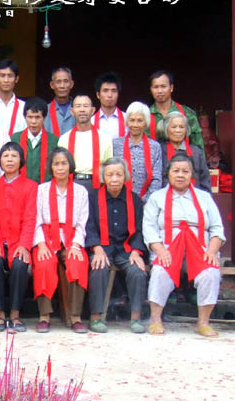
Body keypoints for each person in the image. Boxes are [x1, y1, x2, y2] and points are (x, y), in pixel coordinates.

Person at [144, 154, 224, 337]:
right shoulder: (157, 197)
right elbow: (149, 228)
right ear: (168, 174)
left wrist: (212, 251)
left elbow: (217, 228)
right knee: (160, 271)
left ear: (191, 175)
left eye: (185, 171)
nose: (180, 175)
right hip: (167, 248)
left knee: (210, 273)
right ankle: (155, 320)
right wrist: (160, 250)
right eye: (176, 171)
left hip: (200, 249)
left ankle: (203, 323)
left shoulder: (204, 197)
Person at [86, 157, 147, 334]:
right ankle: (95, 317)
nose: (114, 179)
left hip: (126, 249)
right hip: (102, 247)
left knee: (138, 270)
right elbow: (89, 225)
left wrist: (136, 251)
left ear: (125, 176)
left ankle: (135, 318)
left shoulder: (134, 200)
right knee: (98, 268)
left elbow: (139, 229)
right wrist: (96, 247)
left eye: (119, 174)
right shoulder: (93, 198)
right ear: (103, 177)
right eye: (110, 175)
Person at [32, 148, 89, 333]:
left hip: (71, 237)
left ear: (70, 165)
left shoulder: (81, 191)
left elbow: (82, 223)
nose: (60, 167)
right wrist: (41, 244)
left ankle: (75, 317)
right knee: (44, 264)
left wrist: (76, 245)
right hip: (47, 237)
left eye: (64, 163)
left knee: (77, 263)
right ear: (51, 167)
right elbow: (36, 220)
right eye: (56, 164)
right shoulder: (41, 190)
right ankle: (44, 316)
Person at [0, 142, 37, 333]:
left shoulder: (31, 186)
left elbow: (31, 218)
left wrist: (24, 245)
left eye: (14, 156)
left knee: (19, 264)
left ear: (21, 160)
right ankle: (0, 314)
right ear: (0, 161)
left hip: (19, 240)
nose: (9, 160)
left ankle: (15, 314)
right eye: (6, 156)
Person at [58, 95, 113, 191]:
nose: (82, 110)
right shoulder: (64, 139)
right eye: (78, 106)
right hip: (71, 183)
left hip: (96, 185)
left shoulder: (105, 138)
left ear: (92, 110)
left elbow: (109, 167)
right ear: (72, 111)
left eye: (86, 106)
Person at [112, 101, 162, 203]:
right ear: (127, 121)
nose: (135, 124)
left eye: (140, 121)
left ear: (146, 122)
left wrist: (143, 201)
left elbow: (156, 179)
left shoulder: (155, 147)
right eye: (132, 120)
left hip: (147, 203)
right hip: (119, 200)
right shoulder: (115, 144)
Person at [147, 70, 204, 150]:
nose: (160, 91)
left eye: (163, 86)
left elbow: (198, 145)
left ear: (171, 88)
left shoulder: (187, 113)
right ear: (151, 89)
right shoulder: (145, 115)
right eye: (156, 87)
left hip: (183, 157)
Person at [11, 97, 59, 183]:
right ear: (25, 117)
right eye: (30, 117)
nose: (33, 121)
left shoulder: (54, 141)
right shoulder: (15, 139)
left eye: (37, 117)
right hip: (20, 187)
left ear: (44, 118)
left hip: (45, 187)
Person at [160, 111, 211, 192]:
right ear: (166, 129)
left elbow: (205, 180)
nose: (178, 130)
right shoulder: (159, 150)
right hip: (165, 198)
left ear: (186, 130)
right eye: (174, 127)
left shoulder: (197, 152)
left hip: (193, 197)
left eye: (181, 127)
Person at [0, 59, 27, 136]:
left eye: (10, 76)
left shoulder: (24, 107)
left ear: (16, 79)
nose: (6, 80)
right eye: (2, 76)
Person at [92, 72, 127, 139]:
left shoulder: (128, 120)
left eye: (113, 91)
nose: (110, 95)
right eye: (105, 91)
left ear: (118, 94)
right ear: (98, 95)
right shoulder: (91, 122)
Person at [44, 67, 75, 136]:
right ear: (52, 85)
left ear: (71, 84)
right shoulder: (45, 110)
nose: (62, 86)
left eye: (66, 81)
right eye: (58, 82)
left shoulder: (79, 109)